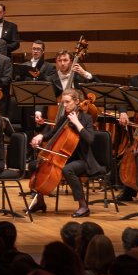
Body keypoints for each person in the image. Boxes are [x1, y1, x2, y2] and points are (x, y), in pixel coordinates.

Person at [28, 88, 104, 218]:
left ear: (77, 101)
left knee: (68, 170)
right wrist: (41, 136)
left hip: (83, 159)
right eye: (63, 102)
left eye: (68, 102)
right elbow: (52, 134)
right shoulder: (64, 117)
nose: (65, 105)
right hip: (64, 157)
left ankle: (83, 206)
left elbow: (90, 139)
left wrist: (77, 123)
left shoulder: (86, 119)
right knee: (34, 164)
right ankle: (40, 202)